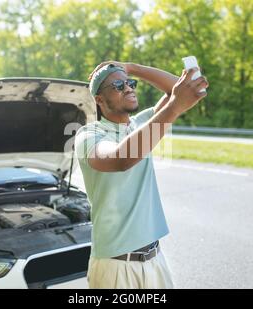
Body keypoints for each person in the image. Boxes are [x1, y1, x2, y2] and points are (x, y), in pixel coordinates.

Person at [74, 61, 209, 288]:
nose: (128, 88)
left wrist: (131, 67)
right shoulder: (88, 135)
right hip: (115, 266)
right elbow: (120, 159)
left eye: (130, 83)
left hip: (155, 259)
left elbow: (177, 89)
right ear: (99, 100)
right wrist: (174, 107)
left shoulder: (141, 124)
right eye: (118, 85)